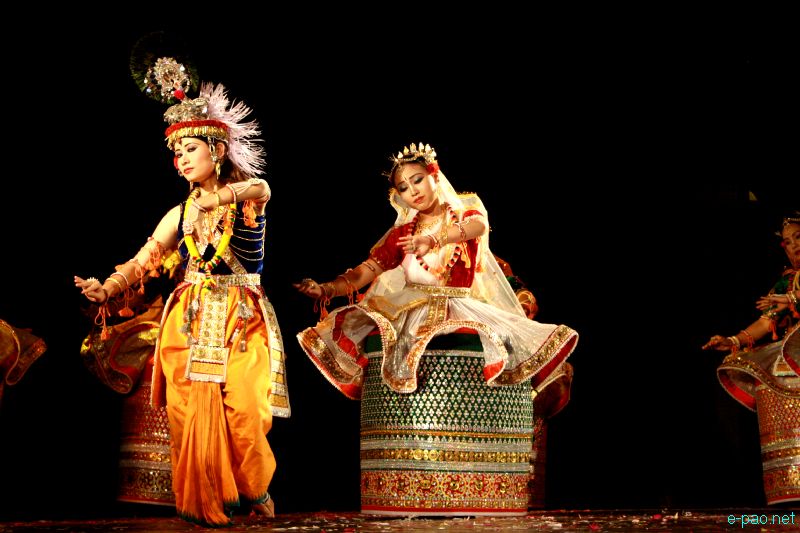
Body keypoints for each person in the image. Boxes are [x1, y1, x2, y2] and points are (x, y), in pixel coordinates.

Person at [295, 143, 578, 516]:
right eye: (403, 187)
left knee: (504, 341)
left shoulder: (464, 209)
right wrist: (327, 289)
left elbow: (478, 226)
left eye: (417, 180)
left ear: (434, 176)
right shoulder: (402, 232)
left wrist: (435, 238)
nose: (412, 191)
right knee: (385, 339)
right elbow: (367, 271)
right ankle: (402, 479)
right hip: (411, 309)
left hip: (460, 302)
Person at [74, 56, 289, 526]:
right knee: (186, 410)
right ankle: (210, 499)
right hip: (189, 317)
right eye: (177, 153)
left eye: (191, 148)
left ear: (218, 149)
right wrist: (106, 288)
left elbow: (262, 187)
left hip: (241, 315)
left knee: (247, 409)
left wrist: (219, 197)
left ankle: (253, 487)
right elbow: (144, 258)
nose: (183, 160)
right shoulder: (180, 213)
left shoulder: (248, 196)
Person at [702, 212, 800, 506]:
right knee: (767, 378)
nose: (794, 246)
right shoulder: (786, 281)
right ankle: (789, 489)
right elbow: (766, 321)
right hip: (789, 354)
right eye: (787, 242)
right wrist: (733, 340)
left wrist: (793, 301)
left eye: (799, 238)